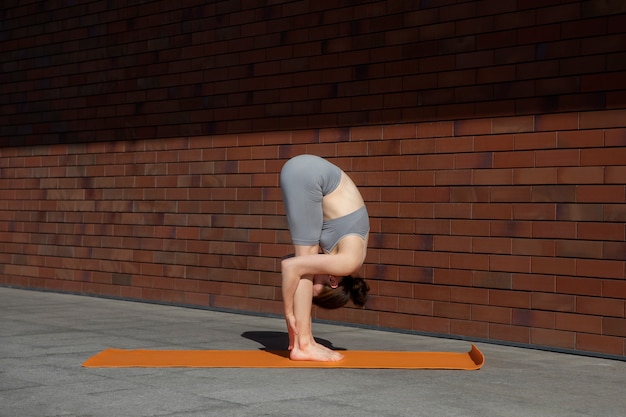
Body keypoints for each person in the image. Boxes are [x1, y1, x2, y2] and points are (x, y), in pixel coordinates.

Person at [280, 154, 370, 361]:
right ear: (333, 281)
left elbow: (288, 261)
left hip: (308, 171)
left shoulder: (345, 256)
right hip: (309, 174)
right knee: (304, 263)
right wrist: (289, 314)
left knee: (305, 261)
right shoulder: (348, 262)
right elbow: (290, 267)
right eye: (315, 291)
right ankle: (303, 344)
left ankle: (306, 341)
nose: (309, 289)